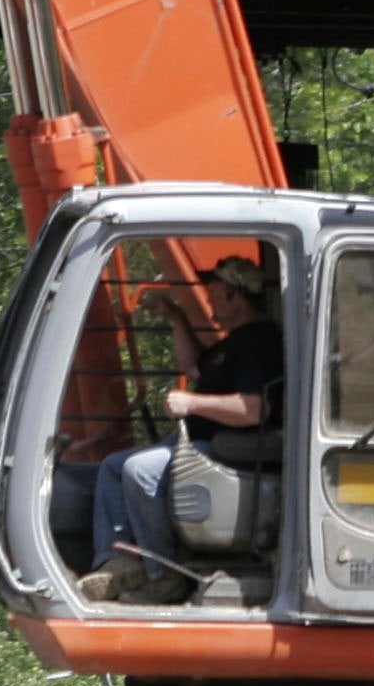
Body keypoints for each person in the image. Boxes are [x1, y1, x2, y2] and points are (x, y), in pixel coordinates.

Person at [78, 253, 285, 605]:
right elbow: (193, 367)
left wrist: (192, 405)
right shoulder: (233, 341)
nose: (209, 299)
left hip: (226, 447)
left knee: (140, 471)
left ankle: (164, 574)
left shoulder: (260, 341)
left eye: (216, 292)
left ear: (236, 296)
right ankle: (118, 562)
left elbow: (256, 409)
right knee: (113, 467)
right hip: (198, 441)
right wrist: (176, 317)